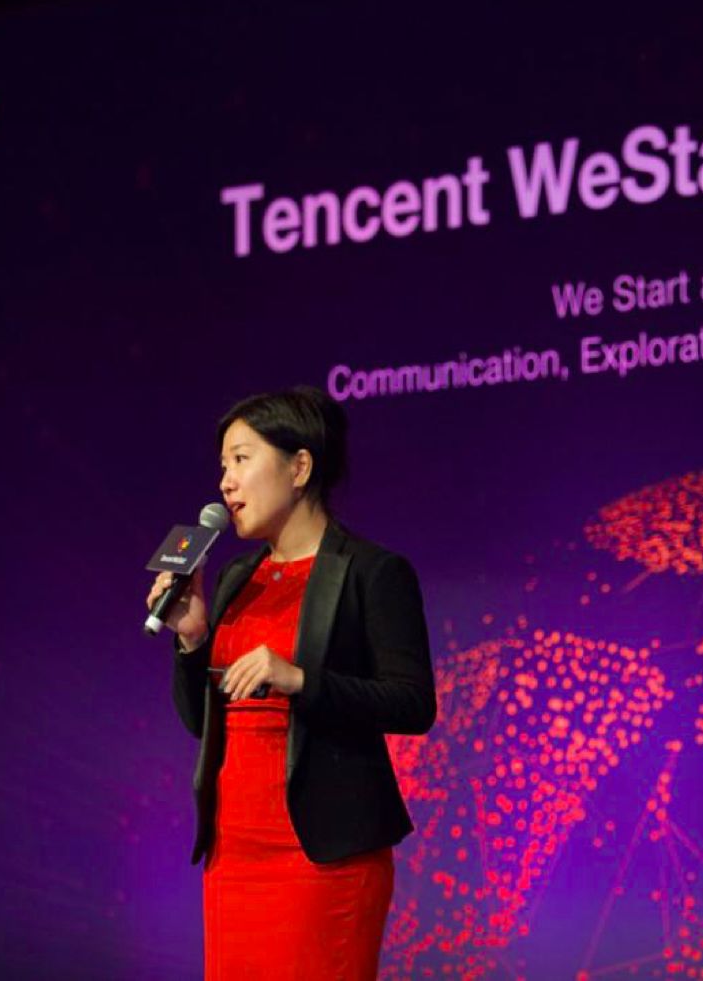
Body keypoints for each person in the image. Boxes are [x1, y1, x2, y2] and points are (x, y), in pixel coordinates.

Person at [146, 386, 436, 980]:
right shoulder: (236, 577)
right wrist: (193, 641)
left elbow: (413, 704)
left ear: (299, 467)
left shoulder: (373, 572)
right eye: (222, 466)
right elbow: (203, 723)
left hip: (322, 858)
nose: (225, 482)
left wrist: (300, 679)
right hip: (233, 855)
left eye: (241, 459)